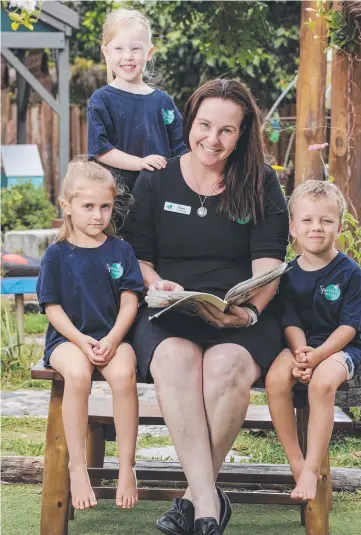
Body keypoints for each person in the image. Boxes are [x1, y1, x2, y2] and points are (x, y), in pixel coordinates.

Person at [121, 79, 289, 535]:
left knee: (226, 365)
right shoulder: (155, 179)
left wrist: (248, 311)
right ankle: (209, 509)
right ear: (190, 121)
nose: (212, 140)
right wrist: (159, 285)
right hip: (168, 310)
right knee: (176, 358)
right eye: (204, 125)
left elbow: (270, 265)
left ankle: (194, 500)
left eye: (227, 131)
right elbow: (138, 256)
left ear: (243, 134)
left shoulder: (261, 182)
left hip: (242, 313)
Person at [36, 157, 144, 511]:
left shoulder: (121, 250)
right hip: (68, 340)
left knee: (125, 374)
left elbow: (130, 301)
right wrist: (81, 342)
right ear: (67, 207)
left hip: (112, 336)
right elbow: (52, 308)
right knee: (78, 374)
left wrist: (113, 339)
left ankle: (127, 465)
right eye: (88, 207)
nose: (97, 215)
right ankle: (77, 466)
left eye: (105, 206)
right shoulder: (56, 255)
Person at [265, 180, 361, 501]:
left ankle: (312, 469)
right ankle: (296, 461)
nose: (317, 228)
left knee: (321, 384)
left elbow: (350, 327)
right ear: (293, 227)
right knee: (275, 378)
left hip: (339, 349)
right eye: (307, 221)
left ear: (339, 226)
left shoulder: (349, 272)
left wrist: (318, 356)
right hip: (300, 346)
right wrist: (300, 353)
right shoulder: (288, 273)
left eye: (326, 221)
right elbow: (290, 320)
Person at [87, 8, 187, 196]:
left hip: (160, 198)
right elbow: (101, 150)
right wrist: (140, 163)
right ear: (105, 52)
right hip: (118, 201)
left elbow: (181, 150)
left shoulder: (163, 102)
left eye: (135, 48)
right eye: (118, 49)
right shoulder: (101, 100)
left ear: (149, 52)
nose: (128, 56)